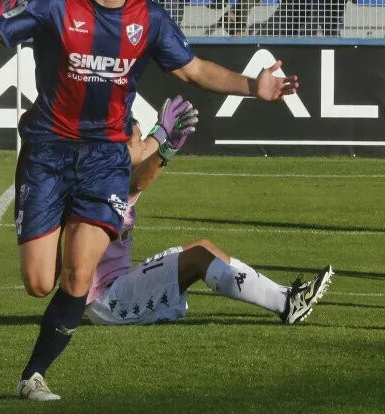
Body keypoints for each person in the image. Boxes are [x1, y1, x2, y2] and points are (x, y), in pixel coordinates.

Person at [0, 0, 299, 402]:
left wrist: (253, 86)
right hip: (48, 152)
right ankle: (51, 258)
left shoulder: (148, 18)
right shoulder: (57, 4)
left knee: (79, 272)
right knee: (38, 282)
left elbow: (195, 69)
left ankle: (34, 375)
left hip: (107, 157)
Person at [86, 102, 334, 327]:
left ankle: (286, 294)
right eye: (138, 142)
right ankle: (287, 304)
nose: (144, 146)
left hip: (115, 288)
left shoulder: (108, 168)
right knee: (197, 258)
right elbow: (138, 182)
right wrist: (167, 148)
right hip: (107, 302)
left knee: (203, 247)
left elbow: (140, 157)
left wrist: (161, 131)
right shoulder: (107, 183)